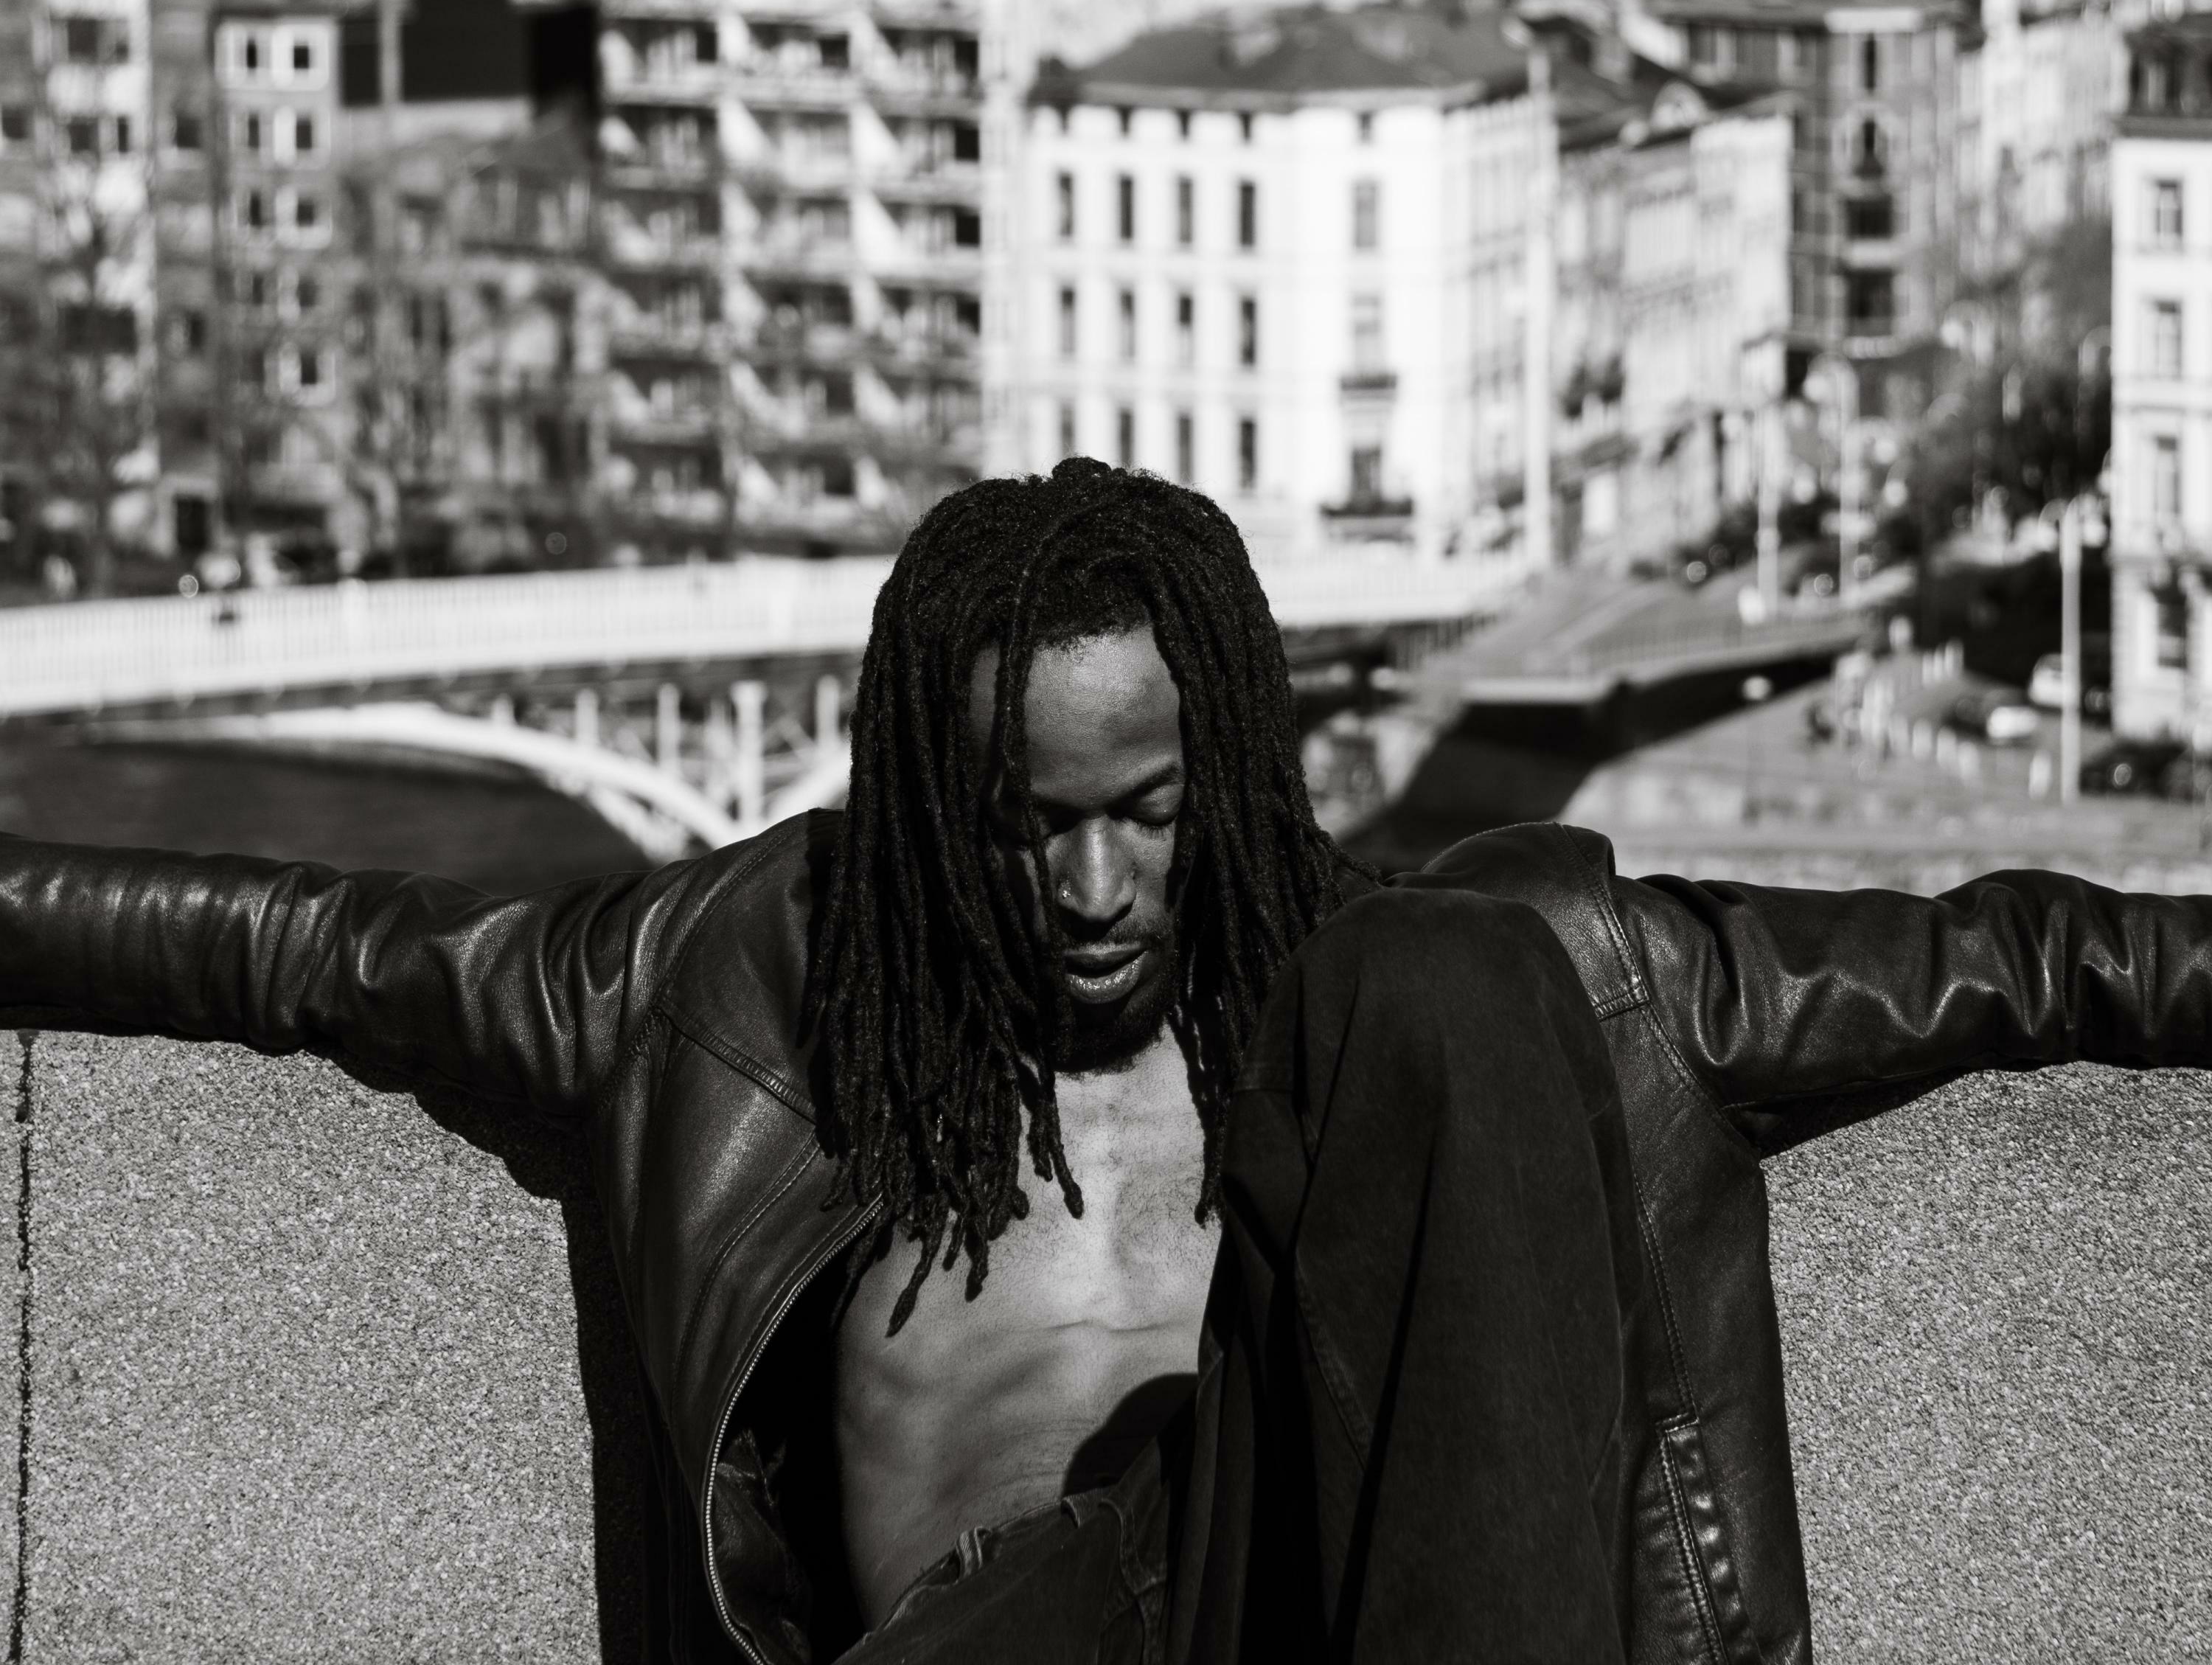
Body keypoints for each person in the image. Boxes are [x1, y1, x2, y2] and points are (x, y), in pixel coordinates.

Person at [3, 457, 2210, 1665]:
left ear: (1225, 774)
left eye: (1147, 814)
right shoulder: (734, 983)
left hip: (1294, 1610)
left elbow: (2010, 961)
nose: (1090, 888)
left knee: (1462, 973)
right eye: (1023, 828)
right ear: (925, 808)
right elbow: (307, 949)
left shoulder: (1451, 996)